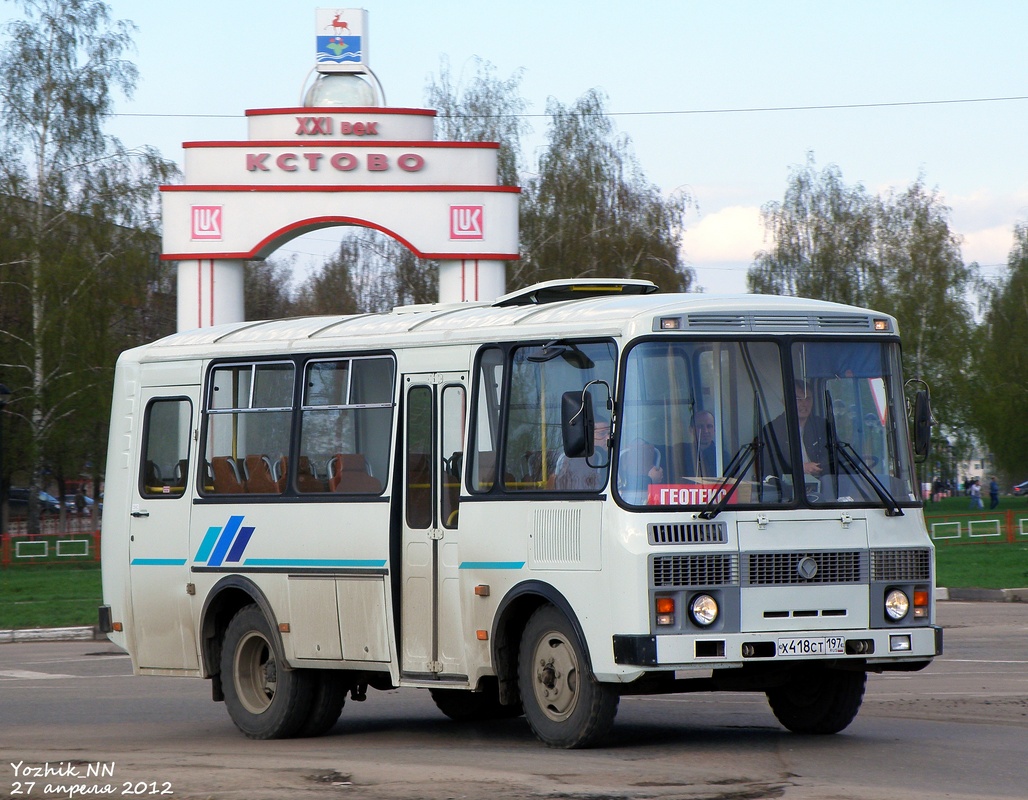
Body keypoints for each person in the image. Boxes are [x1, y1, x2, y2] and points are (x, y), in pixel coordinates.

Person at [761, 379, 830, 483]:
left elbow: (834, 456)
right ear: (785, 401)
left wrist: (819, 467)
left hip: (822, 483)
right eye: (798, 399)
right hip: (788, 487)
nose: (804, 404)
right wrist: (799, 468)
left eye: (808, 399)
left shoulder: (822, 426)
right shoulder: (772, 430)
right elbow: (769, 466)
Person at [555, 421, 610, 490]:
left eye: (609, 434)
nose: (608, 438)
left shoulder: (618, 456)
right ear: (588, 436)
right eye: (601, 434)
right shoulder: (574, 458)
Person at [688, 409, 718, 478]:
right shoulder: (681, 453)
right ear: (691, 430)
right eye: (700, 426)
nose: (706, 431)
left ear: (715, 429)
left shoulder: (721, 456)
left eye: (709, 426)